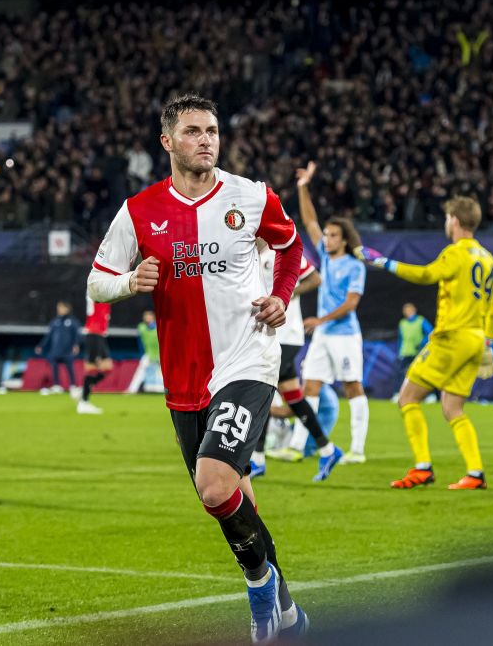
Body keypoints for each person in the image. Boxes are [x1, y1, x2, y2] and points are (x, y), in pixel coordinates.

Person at [87, 94, 308, 642]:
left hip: (248, 357)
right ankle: (288, 611)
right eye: (192, 131)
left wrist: (281, 296)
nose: (205, 139)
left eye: (211, 130)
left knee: (213, 486)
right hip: (185, 376)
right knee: (234, 497)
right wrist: (126, 283)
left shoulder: (250, 196)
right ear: (167, 142)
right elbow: (97, 281)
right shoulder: (139, 211)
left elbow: (290, 247)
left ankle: (259, 590)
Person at [357, 196, 493, 490]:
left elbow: (427, 274)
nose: (446, 223)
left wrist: (385, 262)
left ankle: (422, 467)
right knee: (452, 408)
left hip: (451, 336)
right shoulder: (488, 259)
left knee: (407, 398)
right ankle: (475, 473)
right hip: (476, 340)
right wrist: (487, 340)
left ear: (456, 221)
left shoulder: (456, 253)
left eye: (448, 218)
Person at [296, 162, 372, 465]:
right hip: (324, 334)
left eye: (332, 235)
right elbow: (310, 220)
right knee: (310, 385)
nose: (325, 238)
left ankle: (357, 450)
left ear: (344, 239)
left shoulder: (354, 266)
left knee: (352, 386)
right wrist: (303, 187)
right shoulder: (327, 260)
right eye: (325, 235)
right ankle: (298, 445)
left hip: (344, 335)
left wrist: (320, 320)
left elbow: (351, 304)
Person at [255, 240, 344, 482]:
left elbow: (315, 279)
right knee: (292, 395)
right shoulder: (251, 252)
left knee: (262, 389)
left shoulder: (278, 252)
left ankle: (257, 458)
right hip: (269, 334)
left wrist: (287, 293)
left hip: (287, 334)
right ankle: (327, 450)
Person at [35, 301, 80, 396]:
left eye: (61, 308)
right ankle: (56, 385)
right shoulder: (55, 322)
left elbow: (77, 335)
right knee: (54, 367)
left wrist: (76, 345)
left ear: (67, 309)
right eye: (58, 308)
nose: (59, 310)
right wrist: (41, 345)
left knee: (70, 368)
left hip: (67, 351)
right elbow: (48, 336)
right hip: (55, 350)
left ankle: (72, 386)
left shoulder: (73, 322)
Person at [76, 295, 112, 414]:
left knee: (107, 368)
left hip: (100, 335)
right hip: (93, 333)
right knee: (91, 368)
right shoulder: (95, 293)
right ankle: (84, 403)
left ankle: (83, 392)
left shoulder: (108, 296)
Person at [393, 303, 433, 401]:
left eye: (409, 309)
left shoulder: (421, 320)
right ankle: (399, 394)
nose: (407, 312)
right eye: (406, 310)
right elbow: (400, 339)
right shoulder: (402, 323)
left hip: (418, 352)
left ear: (414, 310)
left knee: (422, 373)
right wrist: (399, 351)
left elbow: (430, 333)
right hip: (406, 353)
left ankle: (428, 396)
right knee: (402, 374)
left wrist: (422, 344)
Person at [128, 310, 163, 393]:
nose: (147, 318)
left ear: (153, 317)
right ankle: (131, 390)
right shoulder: (141, 327)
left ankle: (168, 391)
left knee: (163, 374)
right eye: (146, 316)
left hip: (160, 355)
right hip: (148, 354)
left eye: (149, 316)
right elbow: (146, 332)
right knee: (140, 372)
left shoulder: (159, 326)